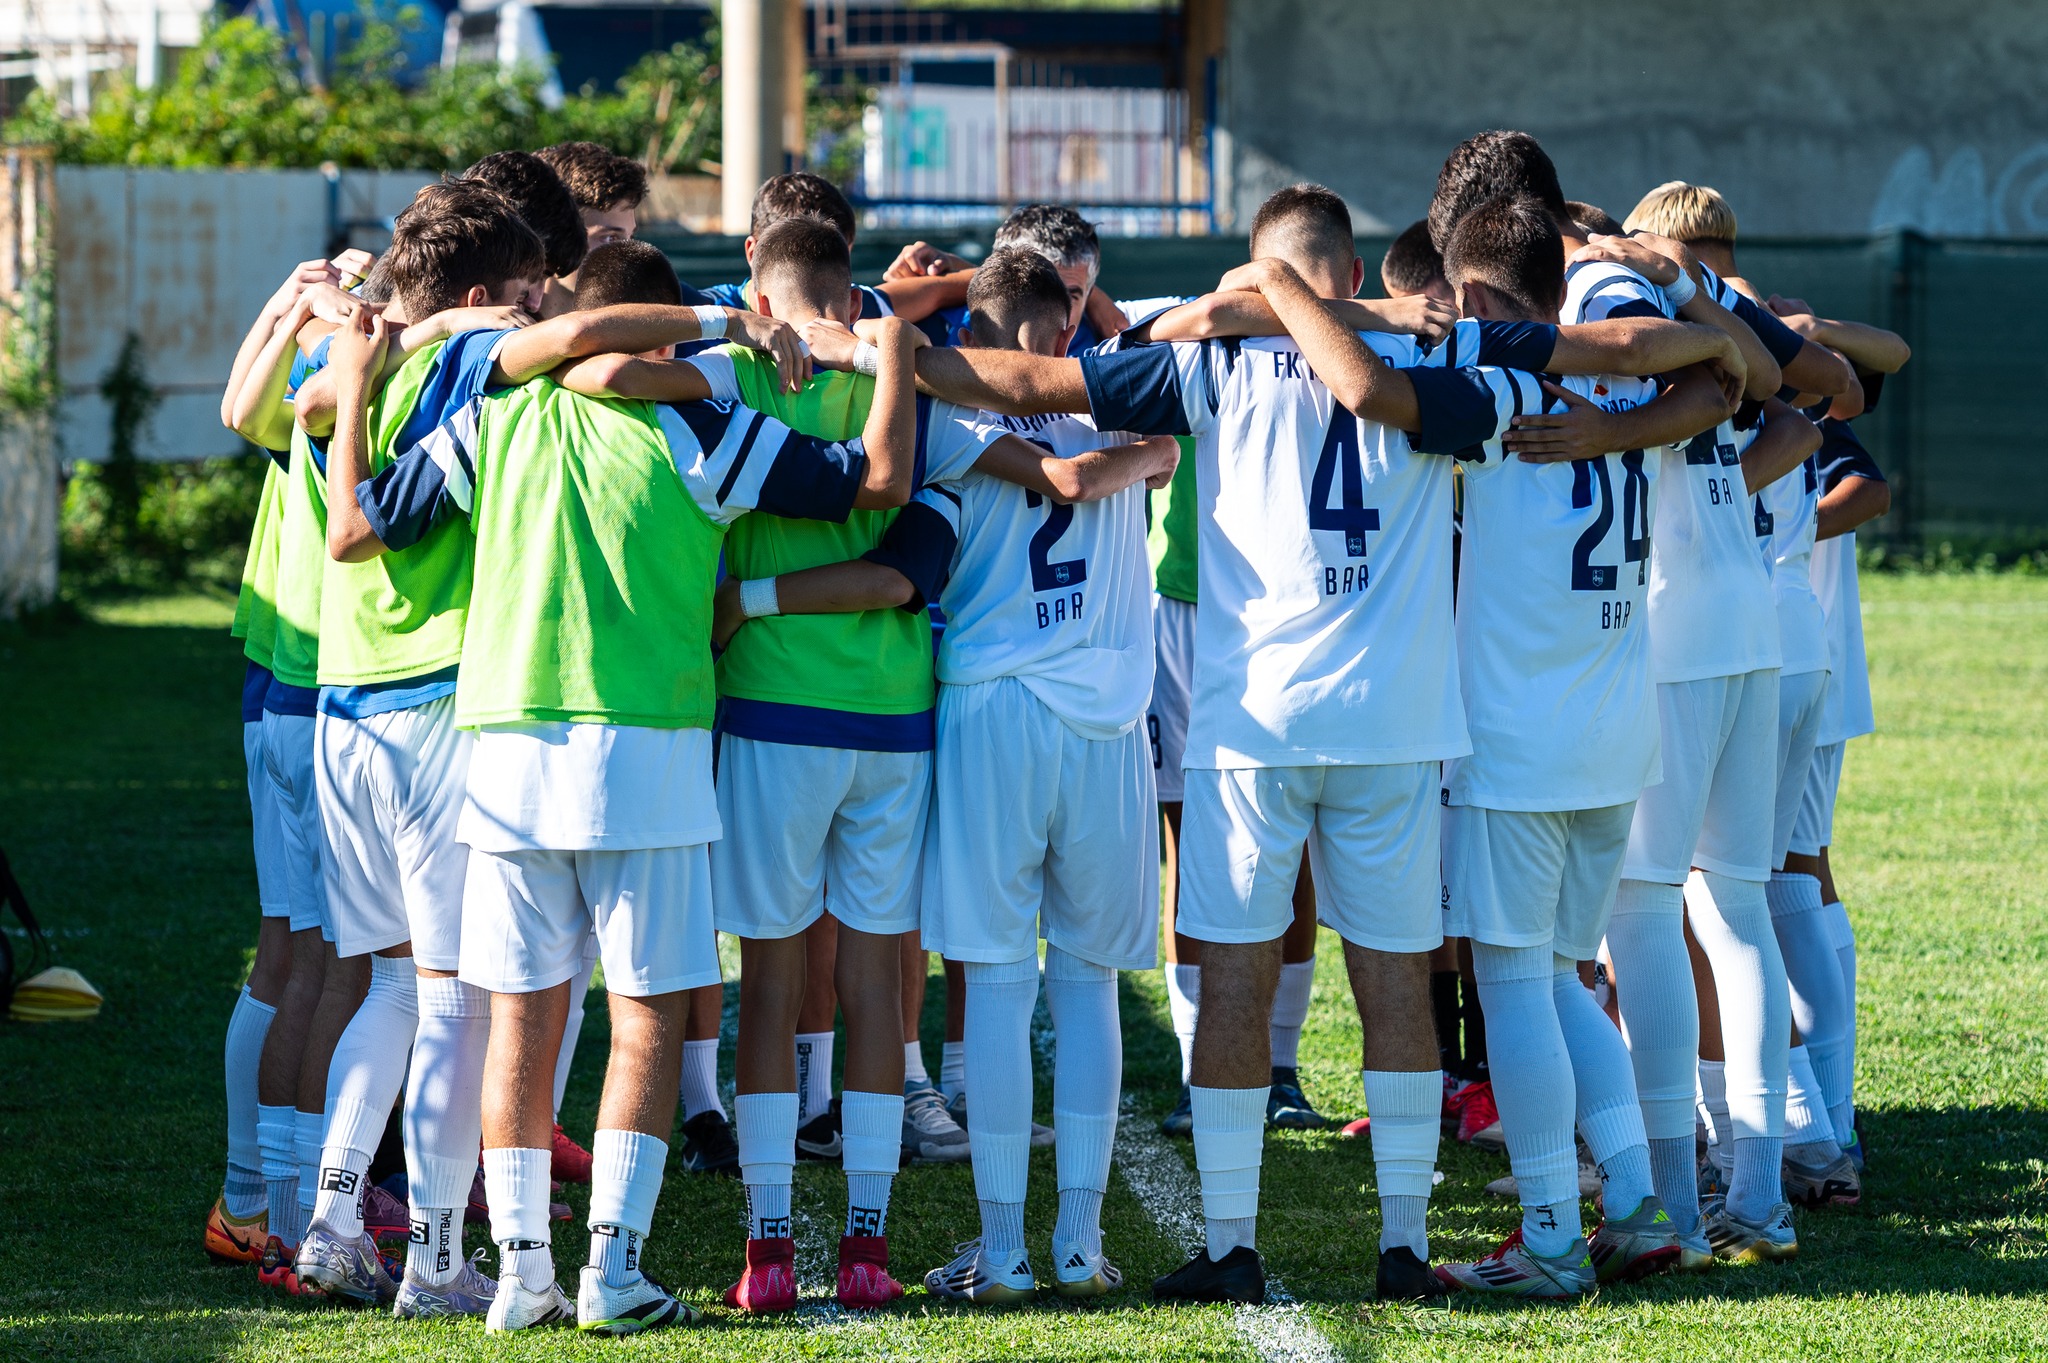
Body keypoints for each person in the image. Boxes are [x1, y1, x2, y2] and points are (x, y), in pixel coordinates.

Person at [903, 182, 1741, 1305]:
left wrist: (883, 351)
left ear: (1263, 276)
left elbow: (1024, 381)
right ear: (1352, 276)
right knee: (1392, 978)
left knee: (1234, 978)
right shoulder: (1442, 359)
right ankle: (1401, 1244)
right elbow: (1645, 359)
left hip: (1253, 723)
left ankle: (1232, 1247)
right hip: (1397, 724)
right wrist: (1696, 336)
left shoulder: (1211, 361)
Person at [328, 237, 923, 1333]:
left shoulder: (497, 416)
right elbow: (879, 480)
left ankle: (522, 1276)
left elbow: (355, 529)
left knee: (520, 1018)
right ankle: (612, 1271)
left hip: (507, 749)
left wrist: (358, 390)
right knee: (646, 1020)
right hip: (647, 749)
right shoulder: (702, 426)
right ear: (661, 332)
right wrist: (892, 355)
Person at [695, 248, 1180, 1303]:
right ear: (1063, 332)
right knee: (1089, 983)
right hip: (1107, 719)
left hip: (991, 709)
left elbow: (916, 555)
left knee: (993, 980)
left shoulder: (945, 412)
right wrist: (1150, 453)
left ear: (973, 331)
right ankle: (1079, 1242)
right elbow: (1102, 449)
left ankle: (1000, 1249)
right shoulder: (1128, 409)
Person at [551, 221, 1017, 1310]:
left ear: (760, 294)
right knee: (872, 984)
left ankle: (766, 1251)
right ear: (853, 295)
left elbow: (605, 373)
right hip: (892, 718)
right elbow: (932, 530)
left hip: (769, 711)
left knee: (768, 978)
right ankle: (865, 1250)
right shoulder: (909, 388)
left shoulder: (730, 370)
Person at [1423, 195, 1737, 1296]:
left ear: (1470, 293)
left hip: (1519, 737)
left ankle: (1553, 1238)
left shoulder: (1490, 381)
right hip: (1612, 729)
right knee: (1558, 976)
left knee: (1514, 983)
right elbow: (1728, 376)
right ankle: (1639, 1200)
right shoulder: (1634, 387)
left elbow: (1372, 389)